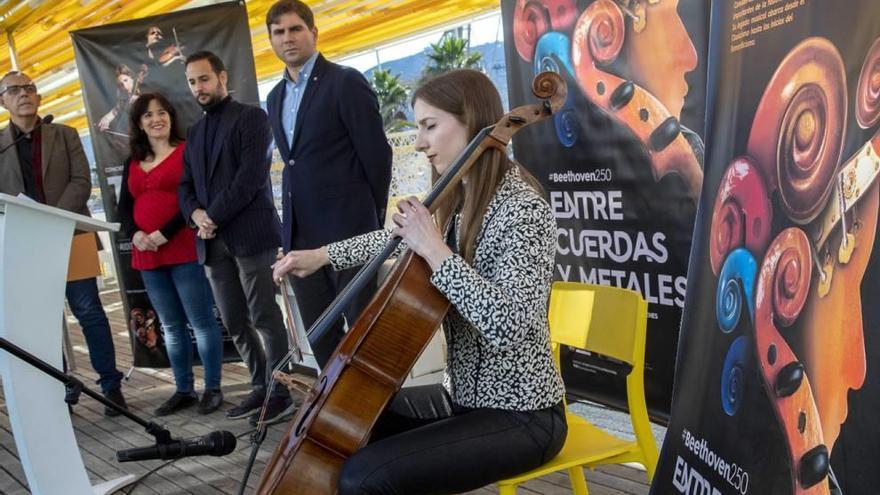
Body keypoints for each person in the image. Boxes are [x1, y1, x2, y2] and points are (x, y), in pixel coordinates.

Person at [273, 69, 567, 494]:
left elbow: (510, 326)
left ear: (474, 122)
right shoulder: (462, 201)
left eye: (430, 126)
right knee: (351, 423)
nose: (419, 143)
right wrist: (321, 256)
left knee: (364, 478)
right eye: (417, 128)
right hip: (465, 400)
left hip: (523, 415)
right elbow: (393, 237)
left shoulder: (524, 209)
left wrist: (436, 252)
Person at [265, 0, 392, 368]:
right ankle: (336, 415)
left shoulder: (345, 81)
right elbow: (292, 165)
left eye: (295, 29)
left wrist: (372, 217)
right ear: (271, 40)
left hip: (349, 228)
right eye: (278, 32)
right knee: (320, 337)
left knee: (363, 335)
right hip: (300, 235)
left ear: (313, 33)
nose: (287, 38)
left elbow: (376, 155)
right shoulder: (274, 98)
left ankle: (377, 418)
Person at [0, 71, 127, 416]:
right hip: (25, 246)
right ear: (3, 101)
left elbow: (81, 182)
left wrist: (51, 220)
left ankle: (111, 388)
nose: (24, 94)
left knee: (89, 313)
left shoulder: (66, 134)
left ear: (39, 98)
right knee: (43, 321)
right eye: (14, 90)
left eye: (30, 88)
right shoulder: (1, 144)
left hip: (71, 236)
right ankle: (57, 391)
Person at [178, 51, 294, 426]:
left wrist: (211, 215)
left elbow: (250, 177)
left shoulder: (252, 118)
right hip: (212, 243)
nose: (199, 87)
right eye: (193, 81)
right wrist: (195, 213)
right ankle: (260, 385)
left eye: (204, 79)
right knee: (233, 320)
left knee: (264, 314)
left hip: (251, 236)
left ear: (222, 76)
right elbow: (185, 186)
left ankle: (281, 392)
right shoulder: (194, 132)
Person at [117, 92, 224, 416]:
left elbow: (192, 199)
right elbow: (124, 207)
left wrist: (164, 233)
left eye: (161, 112)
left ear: (171, 117)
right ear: (139, 123)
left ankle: (214, 388)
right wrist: (135, 234)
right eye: (148, 115)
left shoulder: (186, 152)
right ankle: (183, 389)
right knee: (171, 326)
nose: (156, 119)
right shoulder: (131, 162)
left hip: (182, 248)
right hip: (147, 255)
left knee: (201, 322)